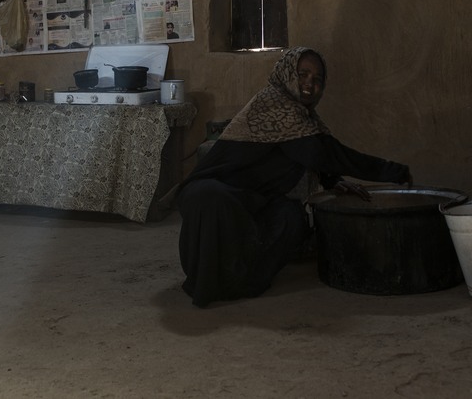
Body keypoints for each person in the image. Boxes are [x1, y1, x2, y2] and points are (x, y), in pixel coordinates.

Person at [176, 46, 411, 307]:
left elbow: (313, 152)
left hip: (254, 199)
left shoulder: (302, 117)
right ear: (286, 73)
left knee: (291, 217)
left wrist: (333, 181)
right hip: (215, 190)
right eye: (303, 74)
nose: (310, 83)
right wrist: (392, 171)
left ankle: (245, 280)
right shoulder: (274, 104)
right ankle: (208, 282)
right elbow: (326, 153)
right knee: (213, 198)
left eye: (317, 79)